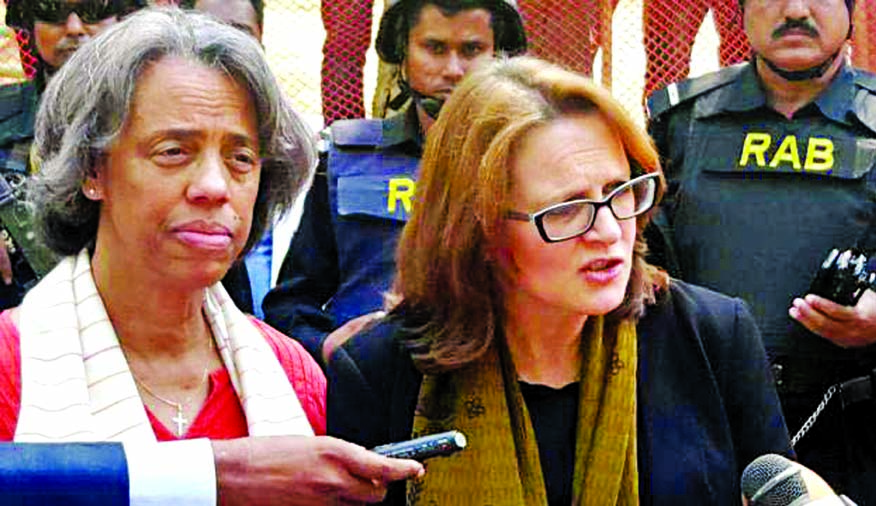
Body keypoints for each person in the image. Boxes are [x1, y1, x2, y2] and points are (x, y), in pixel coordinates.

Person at [0, 8, 421, 504]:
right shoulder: (11, 364)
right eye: (173, 151)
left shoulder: (291, 374)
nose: (214, 187)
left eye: (241, 159)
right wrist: (212, 477)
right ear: (93, 170)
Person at [327, 56, 792, 505]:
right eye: (567, 209)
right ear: (479, 230)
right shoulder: (380, 372)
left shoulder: (713, 335)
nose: (610, 232)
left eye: (620, 191)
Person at [646, 0, 876, 503]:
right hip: (702, 424)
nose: (796, 10)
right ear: (739, 11)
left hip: (861, 435)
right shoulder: (679, 122)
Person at [263, 0, 527, 366]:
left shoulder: (530, 165)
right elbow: (290, 304)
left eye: (472, 50)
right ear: (403, 53)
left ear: (499, 55)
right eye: (434, 48)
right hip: (369, 395)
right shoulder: (347, 160)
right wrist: (323, 346)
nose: (453, 70)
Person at [0, 1, 142, 311]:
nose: (75, 27)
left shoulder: (167, 112)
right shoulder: (4, 112)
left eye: (95, 8)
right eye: (52, 9)